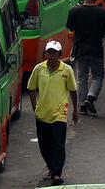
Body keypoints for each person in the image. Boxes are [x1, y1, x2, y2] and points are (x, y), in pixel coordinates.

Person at [27, 40, 78, 185]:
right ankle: (51, 167)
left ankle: (56, 173)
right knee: (44, 145)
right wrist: (34, 106)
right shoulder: (39, 69)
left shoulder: (67, 70)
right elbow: (31, 88)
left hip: (59, 114)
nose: (51, 55)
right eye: (49, 52)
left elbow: (73, 91)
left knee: (58, 144)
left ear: (60, 54)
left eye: (54, 53)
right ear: (45, 54)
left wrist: (75, 110)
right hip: (42, 114)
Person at [67, 0, 105, 117]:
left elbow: (71, 29)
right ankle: (90, 98)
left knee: (82, 77)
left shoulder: (74, 11)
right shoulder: (102, 12)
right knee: (98, 76)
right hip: (96, 48)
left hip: (80, 49)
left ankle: (81, 106)